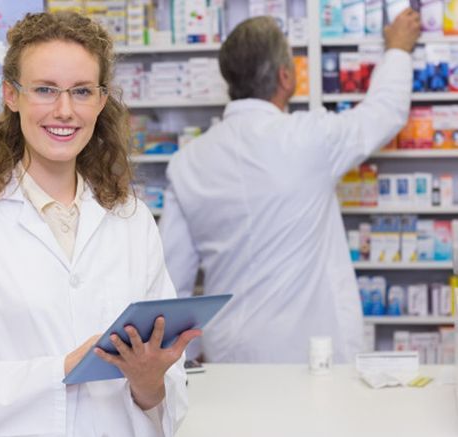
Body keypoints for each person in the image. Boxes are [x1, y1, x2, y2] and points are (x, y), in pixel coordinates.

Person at [0, 11, 200, 437]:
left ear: (100, 99)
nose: (64, 110)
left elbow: (170, 390)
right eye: (44, 90)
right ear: (11, 96)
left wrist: (149, 384)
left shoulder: (131, 222)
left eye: (81, 91)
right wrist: (59, 371)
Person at [159, 10, 421, 364]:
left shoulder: (188, 162)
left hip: (230, 361)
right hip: (313, 356)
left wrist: (179, 367)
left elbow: (174, 282)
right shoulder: (310, 138)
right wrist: (398, 50)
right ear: (286, 77)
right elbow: (383, 112)